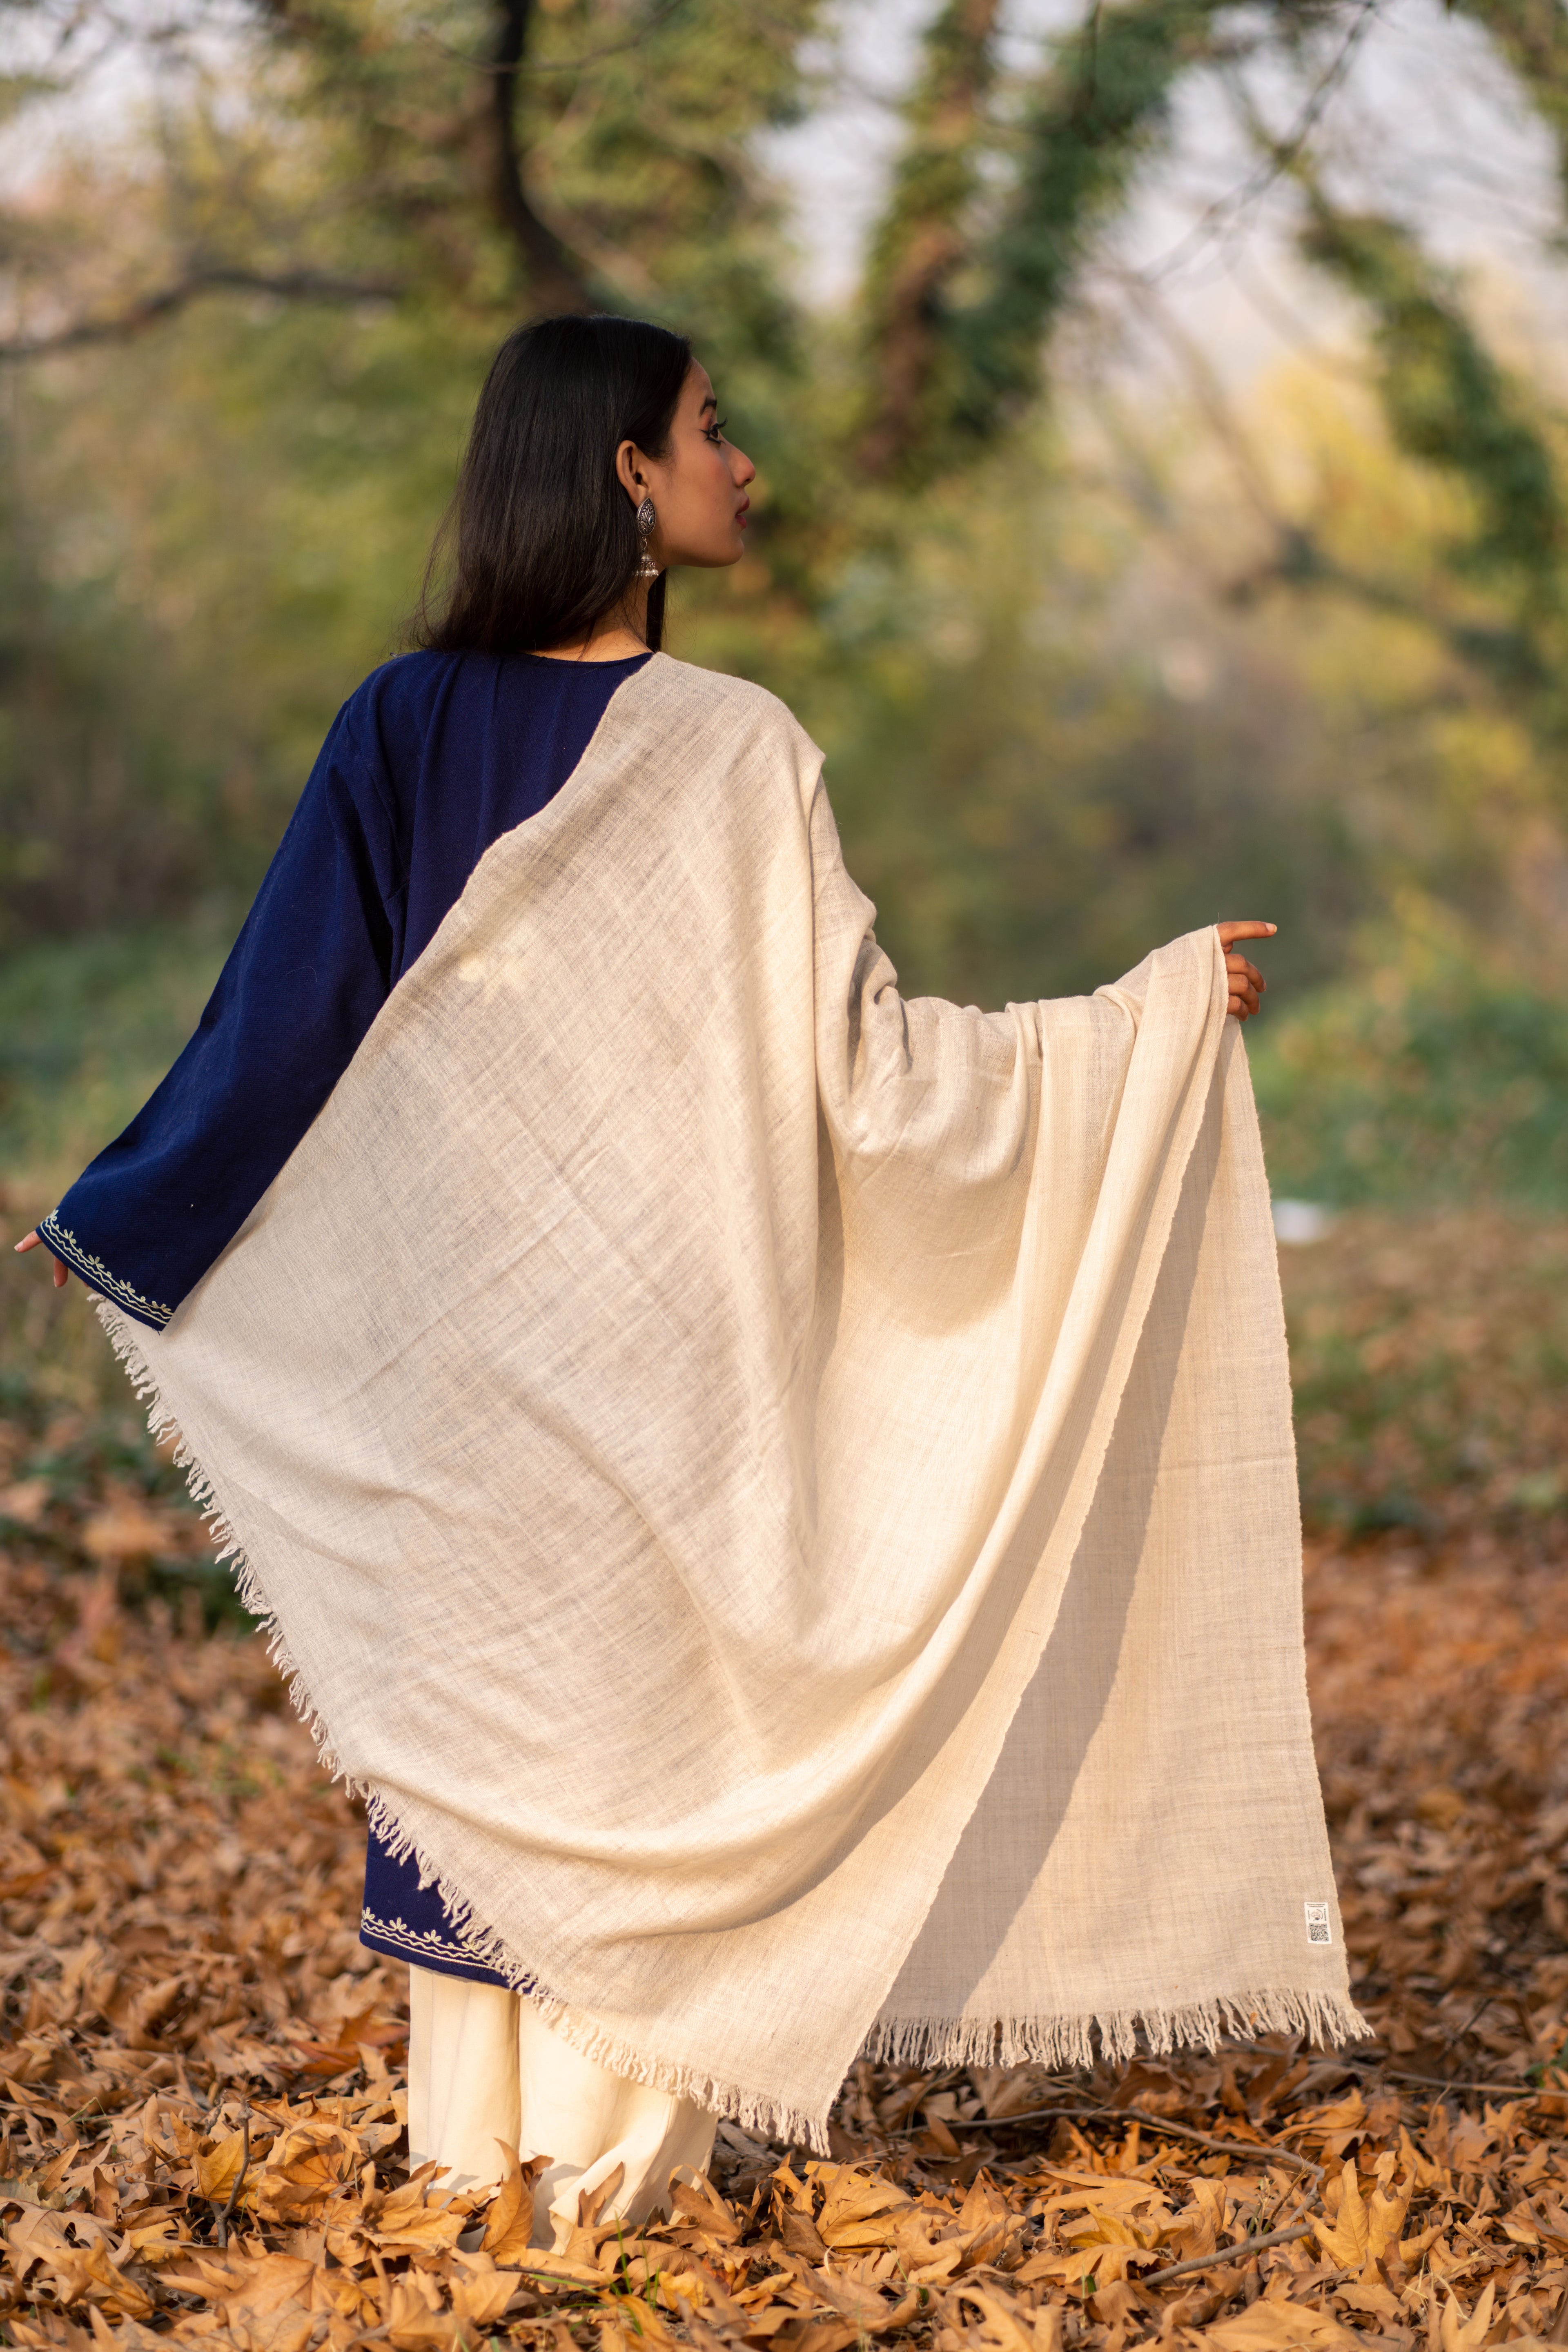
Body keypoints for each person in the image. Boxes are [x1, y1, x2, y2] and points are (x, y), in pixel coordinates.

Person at [18, 313, 1360, 2250]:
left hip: (575, 1347)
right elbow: (307, 1023)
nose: (749, 465)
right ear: (628, 475)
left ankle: (498, 2178)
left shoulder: (617, 740)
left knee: (545, 1719)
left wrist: (1138, 1031)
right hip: (551, 1344)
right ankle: (582, 2183)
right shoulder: (608, 739)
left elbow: (836, 1071)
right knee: (562, 1729)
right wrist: (135, 1215)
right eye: (714, 431)